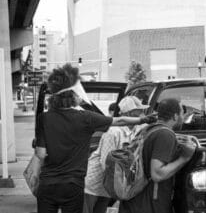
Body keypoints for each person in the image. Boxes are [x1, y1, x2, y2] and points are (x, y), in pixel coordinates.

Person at [34, 64, 156, 213]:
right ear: (72, 97)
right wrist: (142, 120)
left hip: (48, 183)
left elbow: (40, 154)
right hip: (73, 184)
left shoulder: (44, 118)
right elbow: (118, 121)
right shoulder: (86, 118)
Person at [119, 98, 196, 213]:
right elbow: (157, 174)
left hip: (133, 202)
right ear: (175, 116)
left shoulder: (147, 130)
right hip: (149, 205)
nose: (182, 117)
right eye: (181, 113)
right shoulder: (165, 134)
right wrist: (184, 158)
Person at [83, 96, 150, 213]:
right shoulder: (113, 132)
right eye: (139, 111)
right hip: (95, 182)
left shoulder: (137, 130)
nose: (142, 113)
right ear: (129, 113)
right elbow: (105, 162)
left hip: (109, 185)